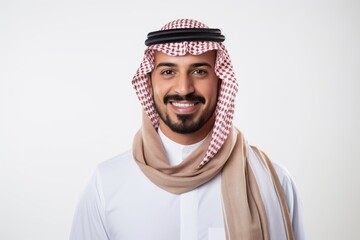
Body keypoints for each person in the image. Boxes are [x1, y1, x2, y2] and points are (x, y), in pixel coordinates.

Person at [70, 19, 306, 240]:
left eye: (199, 71)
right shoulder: (106, 183)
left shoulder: (273, 182)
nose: (183, 88)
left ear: (221, 81)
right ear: (149, 82)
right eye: (168, 72)